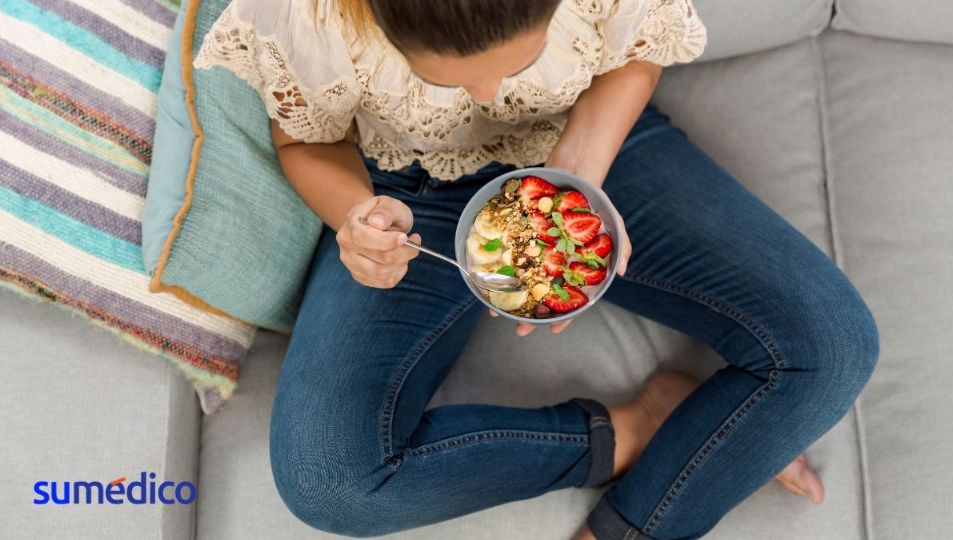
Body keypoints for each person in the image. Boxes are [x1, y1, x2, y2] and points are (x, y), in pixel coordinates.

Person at [193, 0, 880, 538]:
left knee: (832, 343)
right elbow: (306, 140)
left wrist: (577, 178)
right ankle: (640, 429)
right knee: (330, 482)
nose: (491, 94)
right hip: (411, 191)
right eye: (456, 76)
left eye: (518, 61)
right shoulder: (303, 15)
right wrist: (356, 219)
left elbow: (637, 51)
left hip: (588, 138)